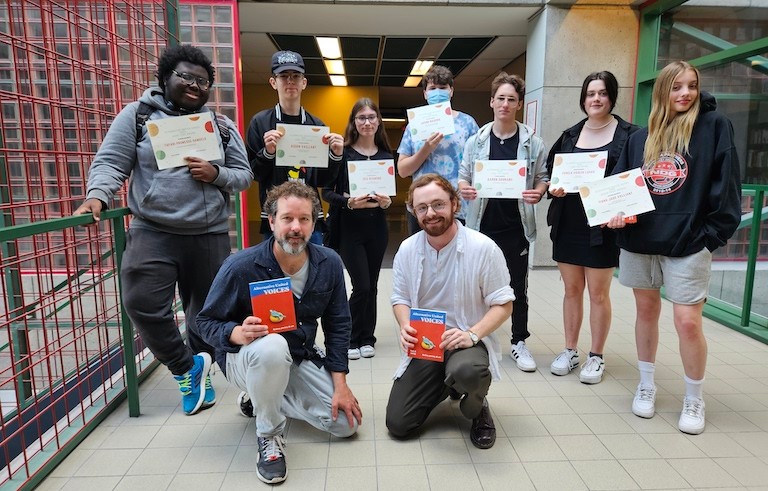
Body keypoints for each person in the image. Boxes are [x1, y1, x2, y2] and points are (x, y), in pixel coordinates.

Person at [73, 44, 253, 415]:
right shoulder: (137, 116)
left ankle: (201, 374)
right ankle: (186, 366)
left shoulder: (219, 125)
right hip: (152, 229)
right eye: (186, 76)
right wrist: (97, 197)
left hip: (208, 233)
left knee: (206, 311)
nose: (195, 85)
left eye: (203, 81)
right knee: (141, 303)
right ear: (165, 78)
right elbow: (111, 161)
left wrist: (215, 174)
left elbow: (244, 176)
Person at [607, 61, 741, 435]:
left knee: (687, 322)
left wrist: (710, 236)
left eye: (692, 86)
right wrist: (615, 215)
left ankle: (693, 397)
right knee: (645, 313)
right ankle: (647, 385)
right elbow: (619, 186)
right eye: (677, 87)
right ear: (662, 91)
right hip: (641, 242)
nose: (685, 93)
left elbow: (727, 184)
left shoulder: (715, 127)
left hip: (688, 243)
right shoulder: (640, 137)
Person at [197, 181, 362, 484]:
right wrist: (236, 332)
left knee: (345, 425)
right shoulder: (241, 266)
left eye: (304, 219)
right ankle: (269, 435)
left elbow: (339, 324)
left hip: (297, 354)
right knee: (271, 346)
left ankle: (260, 398)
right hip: (245, 357)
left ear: (315, 222)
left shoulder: (329, 263)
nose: (296, 227)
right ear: (271, 221)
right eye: (287, 218)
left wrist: (341, 384)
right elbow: (204, 322)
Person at [386, 174, 514, 449]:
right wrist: (405, 324)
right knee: (398, 424)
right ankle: (449, 383)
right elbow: (400, 298)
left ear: (454, 204)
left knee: (468, 369)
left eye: (438, 204)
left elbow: (504, 304)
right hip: (426, 344)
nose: (430, 213)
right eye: (422, 208)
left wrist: (472, 334)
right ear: (413, 211)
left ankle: (476, 404)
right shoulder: (408, 250)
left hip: (466, 339)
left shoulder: (483, 248)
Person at [545, 71, 640, 384]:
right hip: (569, 222)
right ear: (583, 99)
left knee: (599, 293)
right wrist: (553, 188)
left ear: (612, 97)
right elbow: (551, 174)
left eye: (601, 93)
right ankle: (570, 349)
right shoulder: (571, 135)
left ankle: (596, 355)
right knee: (571, 290)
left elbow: (636, 181)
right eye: (590, 94)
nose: (595, 99)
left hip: (603, 225)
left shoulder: (631, 135)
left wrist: (623, 211)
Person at [458, 72, 548, 373]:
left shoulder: (532, 143)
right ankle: (476, 336)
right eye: (501, 98)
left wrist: (538, 191)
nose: (505, 104)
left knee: (516, 288)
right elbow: (463, 175)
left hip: (516, 226)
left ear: (519, 104)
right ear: (492, 101)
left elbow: (542, 177)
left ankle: (519, 342)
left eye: (511, 99)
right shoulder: (476, 141)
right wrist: (464, 187)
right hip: (481, 226)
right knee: (474, 286)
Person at [246, 50, 344, 244]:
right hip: (275, 218)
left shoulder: (316, 126)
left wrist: (336, 156)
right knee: (277, 272)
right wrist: (268, 152)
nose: (290, 81)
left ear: (304, 83)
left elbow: (322, 180)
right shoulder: (260, 123)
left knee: (313, 272)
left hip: (310, 217)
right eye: (283, 76)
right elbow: (253, 174)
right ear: (273, 82)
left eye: (296, 76)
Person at [321, 98, 393, 360]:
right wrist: (348, 202)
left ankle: (367, 337)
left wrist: (388, 202)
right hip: (350, 230)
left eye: (371, 117)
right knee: (361, 285)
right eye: (361, 118)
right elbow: (327, 192)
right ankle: (349, 337)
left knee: (371, 285)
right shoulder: (344, 155)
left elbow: (388, 194)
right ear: (353, 122)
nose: (367, 122)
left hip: (377, 229)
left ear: (378, 121)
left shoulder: (387, 156)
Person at [397, 65, 479, 234]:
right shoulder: (415, 125)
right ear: (425, 93)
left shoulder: (467, 123)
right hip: (423, 206)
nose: (438, 92)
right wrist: (426, 149)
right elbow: (403, 170)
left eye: (443, 88)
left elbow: (479, 164)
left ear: (451, 91)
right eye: (433, 88)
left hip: (459, 206)